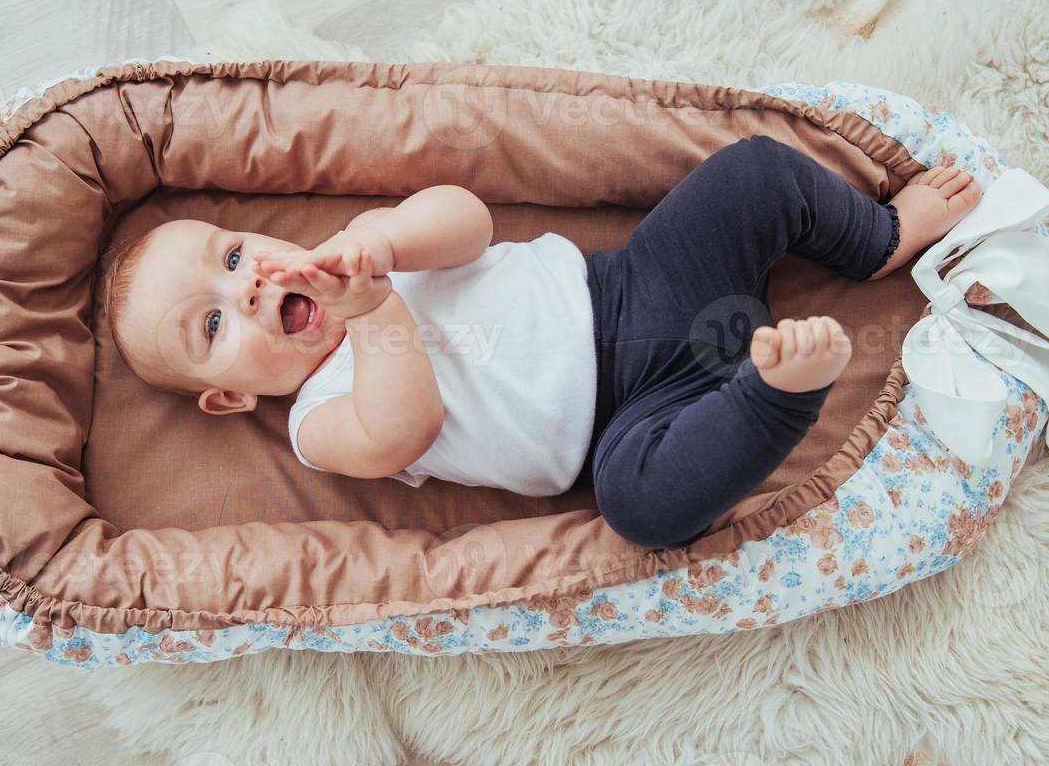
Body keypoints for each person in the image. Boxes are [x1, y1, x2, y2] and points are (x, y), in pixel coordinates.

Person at [102, 136, 982, 550]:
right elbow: (400, 430)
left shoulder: (369, 246)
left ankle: (874, 239)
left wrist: (394, 249)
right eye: (212, 323)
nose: (248, 284)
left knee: (748, 171)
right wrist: (374, 316)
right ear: (227, 398)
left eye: (232, 255)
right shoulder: (318, 421)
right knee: (641, 511)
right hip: (629, 419)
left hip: (639, 284)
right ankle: (776, 392)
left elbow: (470, 221)